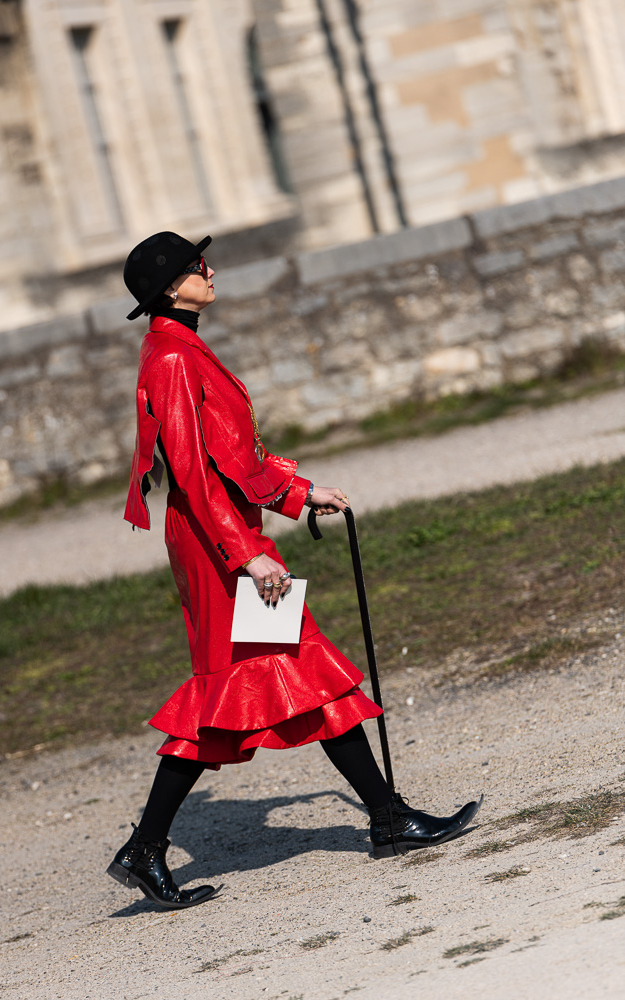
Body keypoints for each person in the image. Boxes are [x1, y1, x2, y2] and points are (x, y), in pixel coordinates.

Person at [106, 232, 482, 910]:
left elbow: (232, 453)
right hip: (217, 544)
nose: (209, 271)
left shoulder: (182, 346)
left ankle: (150, 847)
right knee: (252, 683)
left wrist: (296, 491)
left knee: (285, 676)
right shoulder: (168, 356)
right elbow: (191, 473)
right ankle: (385, 818)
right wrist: (245, 553)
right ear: (168, 287)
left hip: (225, 534)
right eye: (196, 267)